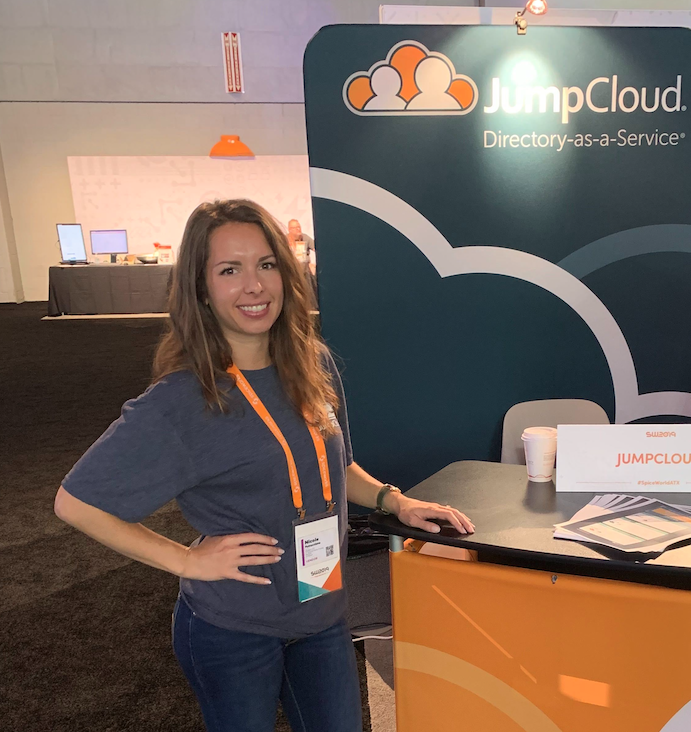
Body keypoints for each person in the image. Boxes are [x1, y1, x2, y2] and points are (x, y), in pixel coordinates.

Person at [53, 199, 475, 732]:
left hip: (322, 612)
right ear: (201, 288)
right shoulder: (184, 399)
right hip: (234, 629)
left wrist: (395, 501)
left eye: (266, 264)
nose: (254, 285)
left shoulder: (311, 362)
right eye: (230, 270)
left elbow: (333, 467)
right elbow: (76, 503)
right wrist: (186, 560)